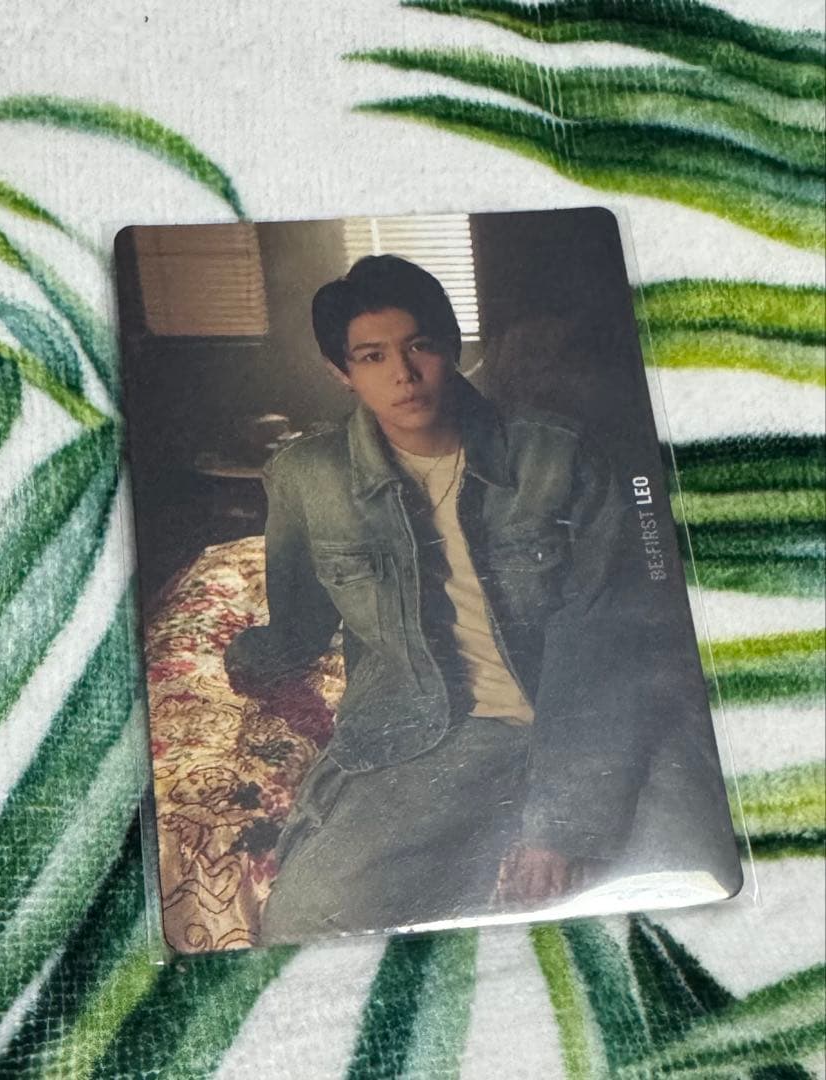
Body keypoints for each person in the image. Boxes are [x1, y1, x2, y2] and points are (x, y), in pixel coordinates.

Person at [225, 255, 643, 943]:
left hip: (571, 720)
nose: (403, 374)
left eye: (418, 346)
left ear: (450, 346)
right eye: (372, 356)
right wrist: (244, 661)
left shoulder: (559, 455)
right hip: (426, 731)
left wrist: (560, 823)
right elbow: (297, 627)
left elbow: (606, 643)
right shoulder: (308, 476)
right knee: (304, 923)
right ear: (341, 371)